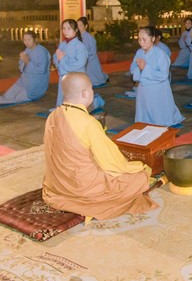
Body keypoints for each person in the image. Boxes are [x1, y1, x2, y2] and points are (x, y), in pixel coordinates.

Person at [42, 72, 155, 220]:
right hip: (84, 188)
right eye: (91, 89)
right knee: (140, 177)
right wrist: (137, 167)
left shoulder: (53, 116)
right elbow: (111, 162)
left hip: (58, 184)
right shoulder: (87, 123)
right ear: (85, 93)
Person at [131, 26, 184, 127]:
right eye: (139, 39)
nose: (141, 42)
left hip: (157, 88)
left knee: (158, 117)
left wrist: (145, 68)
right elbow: (133, 68)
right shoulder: (139, 52)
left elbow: (163, 75)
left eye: (144, 39)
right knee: (144, 118)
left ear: (153, 38)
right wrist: (139, 70)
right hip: (143, 88)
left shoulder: (161, 54)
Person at [0, 31, 51, 104]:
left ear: (35, 39)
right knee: (7, 95)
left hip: (36, 82)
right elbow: (21, 64)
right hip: (25, 79)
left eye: (29, 39)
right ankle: (9, 97)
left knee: (18, 98)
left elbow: (42, 70)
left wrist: (28, 62)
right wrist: (24, 61)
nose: (26, 42)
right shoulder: (27, 49)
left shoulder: (42, 51)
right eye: (24, 40)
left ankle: (30, 95)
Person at [53, 19, 88, 107]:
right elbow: (55, 58)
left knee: (74, 101)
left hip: (75, 77)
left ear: (76, 30)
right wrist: (59, 60)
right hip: (63, 77)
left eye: (69, 28)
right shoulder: (62, 44)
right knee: (62, 98)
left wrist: (63, 59)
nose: (65, 31)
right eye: (64, 28)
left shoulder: (80, 46)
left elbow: (80, 63)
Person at [77, 17, 108, 87]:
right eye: (77, 25)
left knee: (93, 79)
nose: (78, 27)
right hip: (85, 60)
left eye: (80, 25)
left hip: (90, 61)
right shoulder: (79, 37)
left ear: (85, 26)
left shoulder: (88, 37)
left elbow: (88, 51)